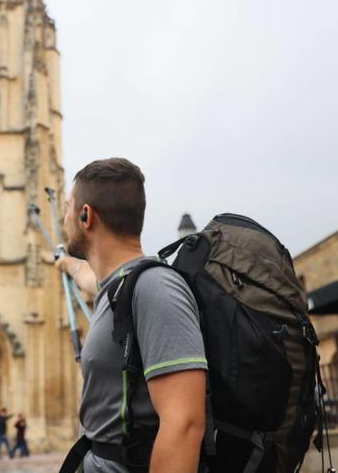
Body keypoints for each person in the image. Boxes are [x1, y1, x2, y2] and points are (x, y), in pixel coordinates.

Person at [56, 158, 207, 473]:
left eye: (68, 207)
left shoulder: (154, 288)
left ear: (86, 216)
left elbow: (185, 425)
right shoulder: (118, 286)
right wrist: (67, 264)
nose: (63, 216)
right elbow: (89, 279)